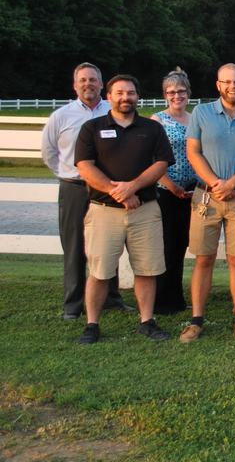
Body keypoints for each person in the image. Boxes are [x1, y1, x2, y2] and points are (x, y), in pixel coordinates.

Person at [74, 75, 174, 343]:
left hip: (145, 210)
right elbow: (85, 166)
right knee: (99, 271)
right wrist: (116, 191)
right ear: (109, 96)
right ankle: (92, 324)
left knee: (147, 269)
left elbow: (162, 163)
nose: (125, 97)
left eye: (130, 93)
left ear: (137, 96)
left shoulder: (151, 129)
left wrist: (133, 187)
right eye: (119, 93)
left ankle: (147, 320)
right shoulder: (91, 128)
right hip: (103, 210)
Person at [179, 63, 235, 342]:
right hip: (206, 195)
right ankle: (196, 320)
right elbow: (193, 152)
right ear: (218, 85)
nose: (233, 86)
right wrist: (217, 183)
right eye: (227, 82)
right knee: (203, 259)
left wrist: (231, 184)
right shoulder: (202, 114)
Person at [41, 62, 127, 319]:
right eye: (83, 80)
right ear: (75, 84)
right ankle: (74, 303)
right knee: (75, 246)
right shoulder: (62, 116)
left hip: (108, 190)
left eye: (93, 80)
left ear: (102, 84)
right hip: (75, 189)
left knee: (109, 245)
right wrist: (69, 175)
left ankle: (111, 298)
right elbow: (49, 153)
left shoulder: (114, 112)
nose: (88, 84)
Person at [151, 68, 198, 315]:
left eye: (180, 91)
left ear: (188, 93)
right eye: (171, 92)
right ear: (165, 95)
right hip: (168, 191)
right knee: (167, 245)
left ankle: (177, 297)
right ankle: (162, 300)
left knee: (182, 245)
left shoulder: (195, 119)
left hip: (193, 191)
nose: (176, 95)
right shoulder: (158, 120)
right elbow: (152, 158)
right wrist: (171, 185)